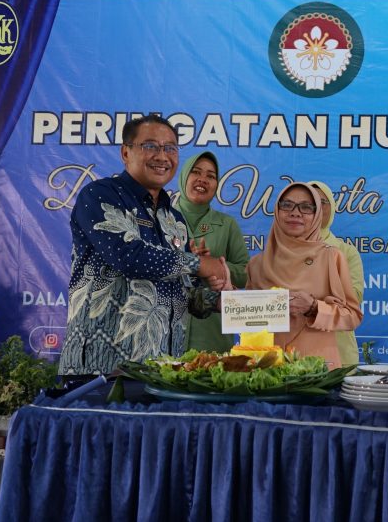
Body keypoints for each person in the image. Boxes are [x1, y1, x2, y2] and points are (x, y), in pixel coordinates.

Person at [59, 114, 225, 375]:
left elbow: (184, 293)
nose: (162, 156)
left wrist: (219, 300)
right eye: (150, 146)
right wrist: (199, 263)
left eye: (170, 148)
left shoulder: (175, 219)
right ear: (126, 152)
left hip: (165, 371)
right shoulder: (101, 195)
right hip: (102, 369)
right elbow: (128, 257)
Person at [246, 182, 363, 367]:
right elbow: (249, 319)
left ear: (317, 215)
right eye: (287, 205)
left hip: (317, 370)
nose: (295, 213)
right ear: (277, 211)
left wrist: (314, 307)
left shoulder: (332, 257)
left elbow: (352, 316)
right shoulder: (257, 264)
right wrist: (230, 296)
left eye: (306, 207)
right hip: (268, 369)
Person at [175, 151, 251, 353]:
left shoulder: (227, 224)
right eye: (196, 172)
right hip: (167, 329)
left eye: (211, 175)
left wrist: (215, 267)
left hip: (211, 332)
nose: (203, 179)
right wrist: (193, 264)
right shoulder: (163, 218)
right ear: (184, 177)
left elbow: (245, 274)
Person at [308, 180, 365, 366]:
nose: (316, 207)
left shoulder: (346, 252)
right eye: (309, 203)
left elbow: (354, 298)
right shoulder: (283, 252)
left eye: (322, 202)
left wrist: (310, 301)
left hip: (338, 350)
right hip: (295, 351)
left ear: (331, 208)